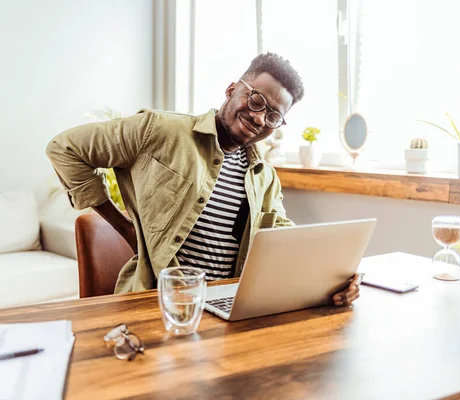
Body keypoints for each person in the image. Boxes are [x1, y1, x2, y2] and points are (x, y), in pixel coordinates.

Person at [46, 52, 360, 307]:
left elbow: (283, 242)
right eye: (256, 101)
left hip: (226, 306)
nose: (260, 118)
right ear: (232, 90)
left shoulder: (265, 178)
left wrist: (335, 276)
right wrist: (124, 227)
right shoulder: (159, 130)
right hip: (155, 301)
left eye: (274, 116)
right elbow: (65, 148)